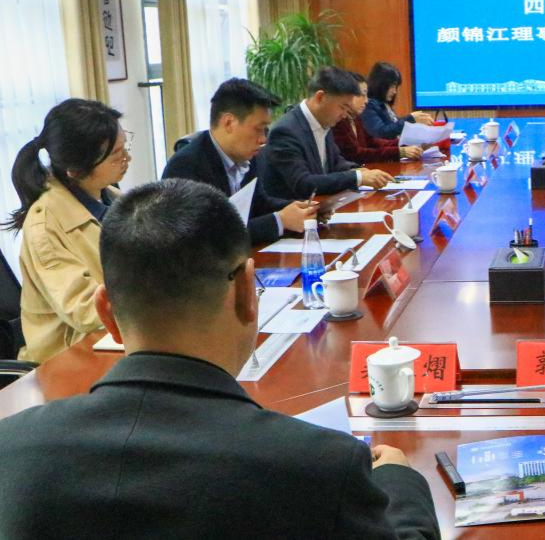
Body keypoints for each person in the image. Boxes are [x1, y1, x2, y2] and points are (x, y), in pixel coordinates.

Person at [0, 179, 439, 537]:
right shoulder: (320, 467)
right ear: (248, 292)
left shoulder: (12, 450)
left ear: (106, 313)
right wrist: (399, 482)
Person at [2, 99, 129, 363]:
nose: (127, 158)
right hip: (66, 361)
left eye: (125, 147)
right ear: (76, 170)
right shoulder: (45, 226)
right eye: (116, 154)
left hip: (113, 342)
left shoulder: (110, 197)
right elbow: (86, 311)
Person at [163, 78, 317, 246]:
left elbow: (259, 204)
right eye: (258, 129)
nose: (263, 139)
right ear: (229, 123)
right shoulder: (186, 167)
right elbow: (207, 237)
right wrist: (279, 221)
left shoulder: (246, 155)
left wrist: (301, 209)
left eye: (265, 130)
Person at [259, 66, 393, 200]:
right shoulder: (286, 131)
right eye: (342, 107)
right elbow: (303, 183)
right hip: (296, 209)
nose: (345, 115)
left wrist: (358, 170)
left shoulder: (324, 121)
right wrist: (357, 177)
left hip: (323, 205)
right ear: (320, 97)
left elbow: (335, 162)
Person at [333, 73, 427, 164]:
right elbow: (356, 154)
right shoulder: (339, 121)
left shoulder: (355, 118)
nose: (366, 101)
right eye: (362, 95)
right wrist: (399, 152)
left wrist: (406, 143)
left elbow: (372, 142)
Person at [361, 61, 433, 140]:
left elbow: (394, 126)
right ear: (380, 84)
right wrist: (409, 119)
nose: (394, 91)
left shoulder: (385, 104)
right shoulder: (369, 105)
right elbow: (381, 132)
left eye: (396, 87)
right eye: (392, 86)